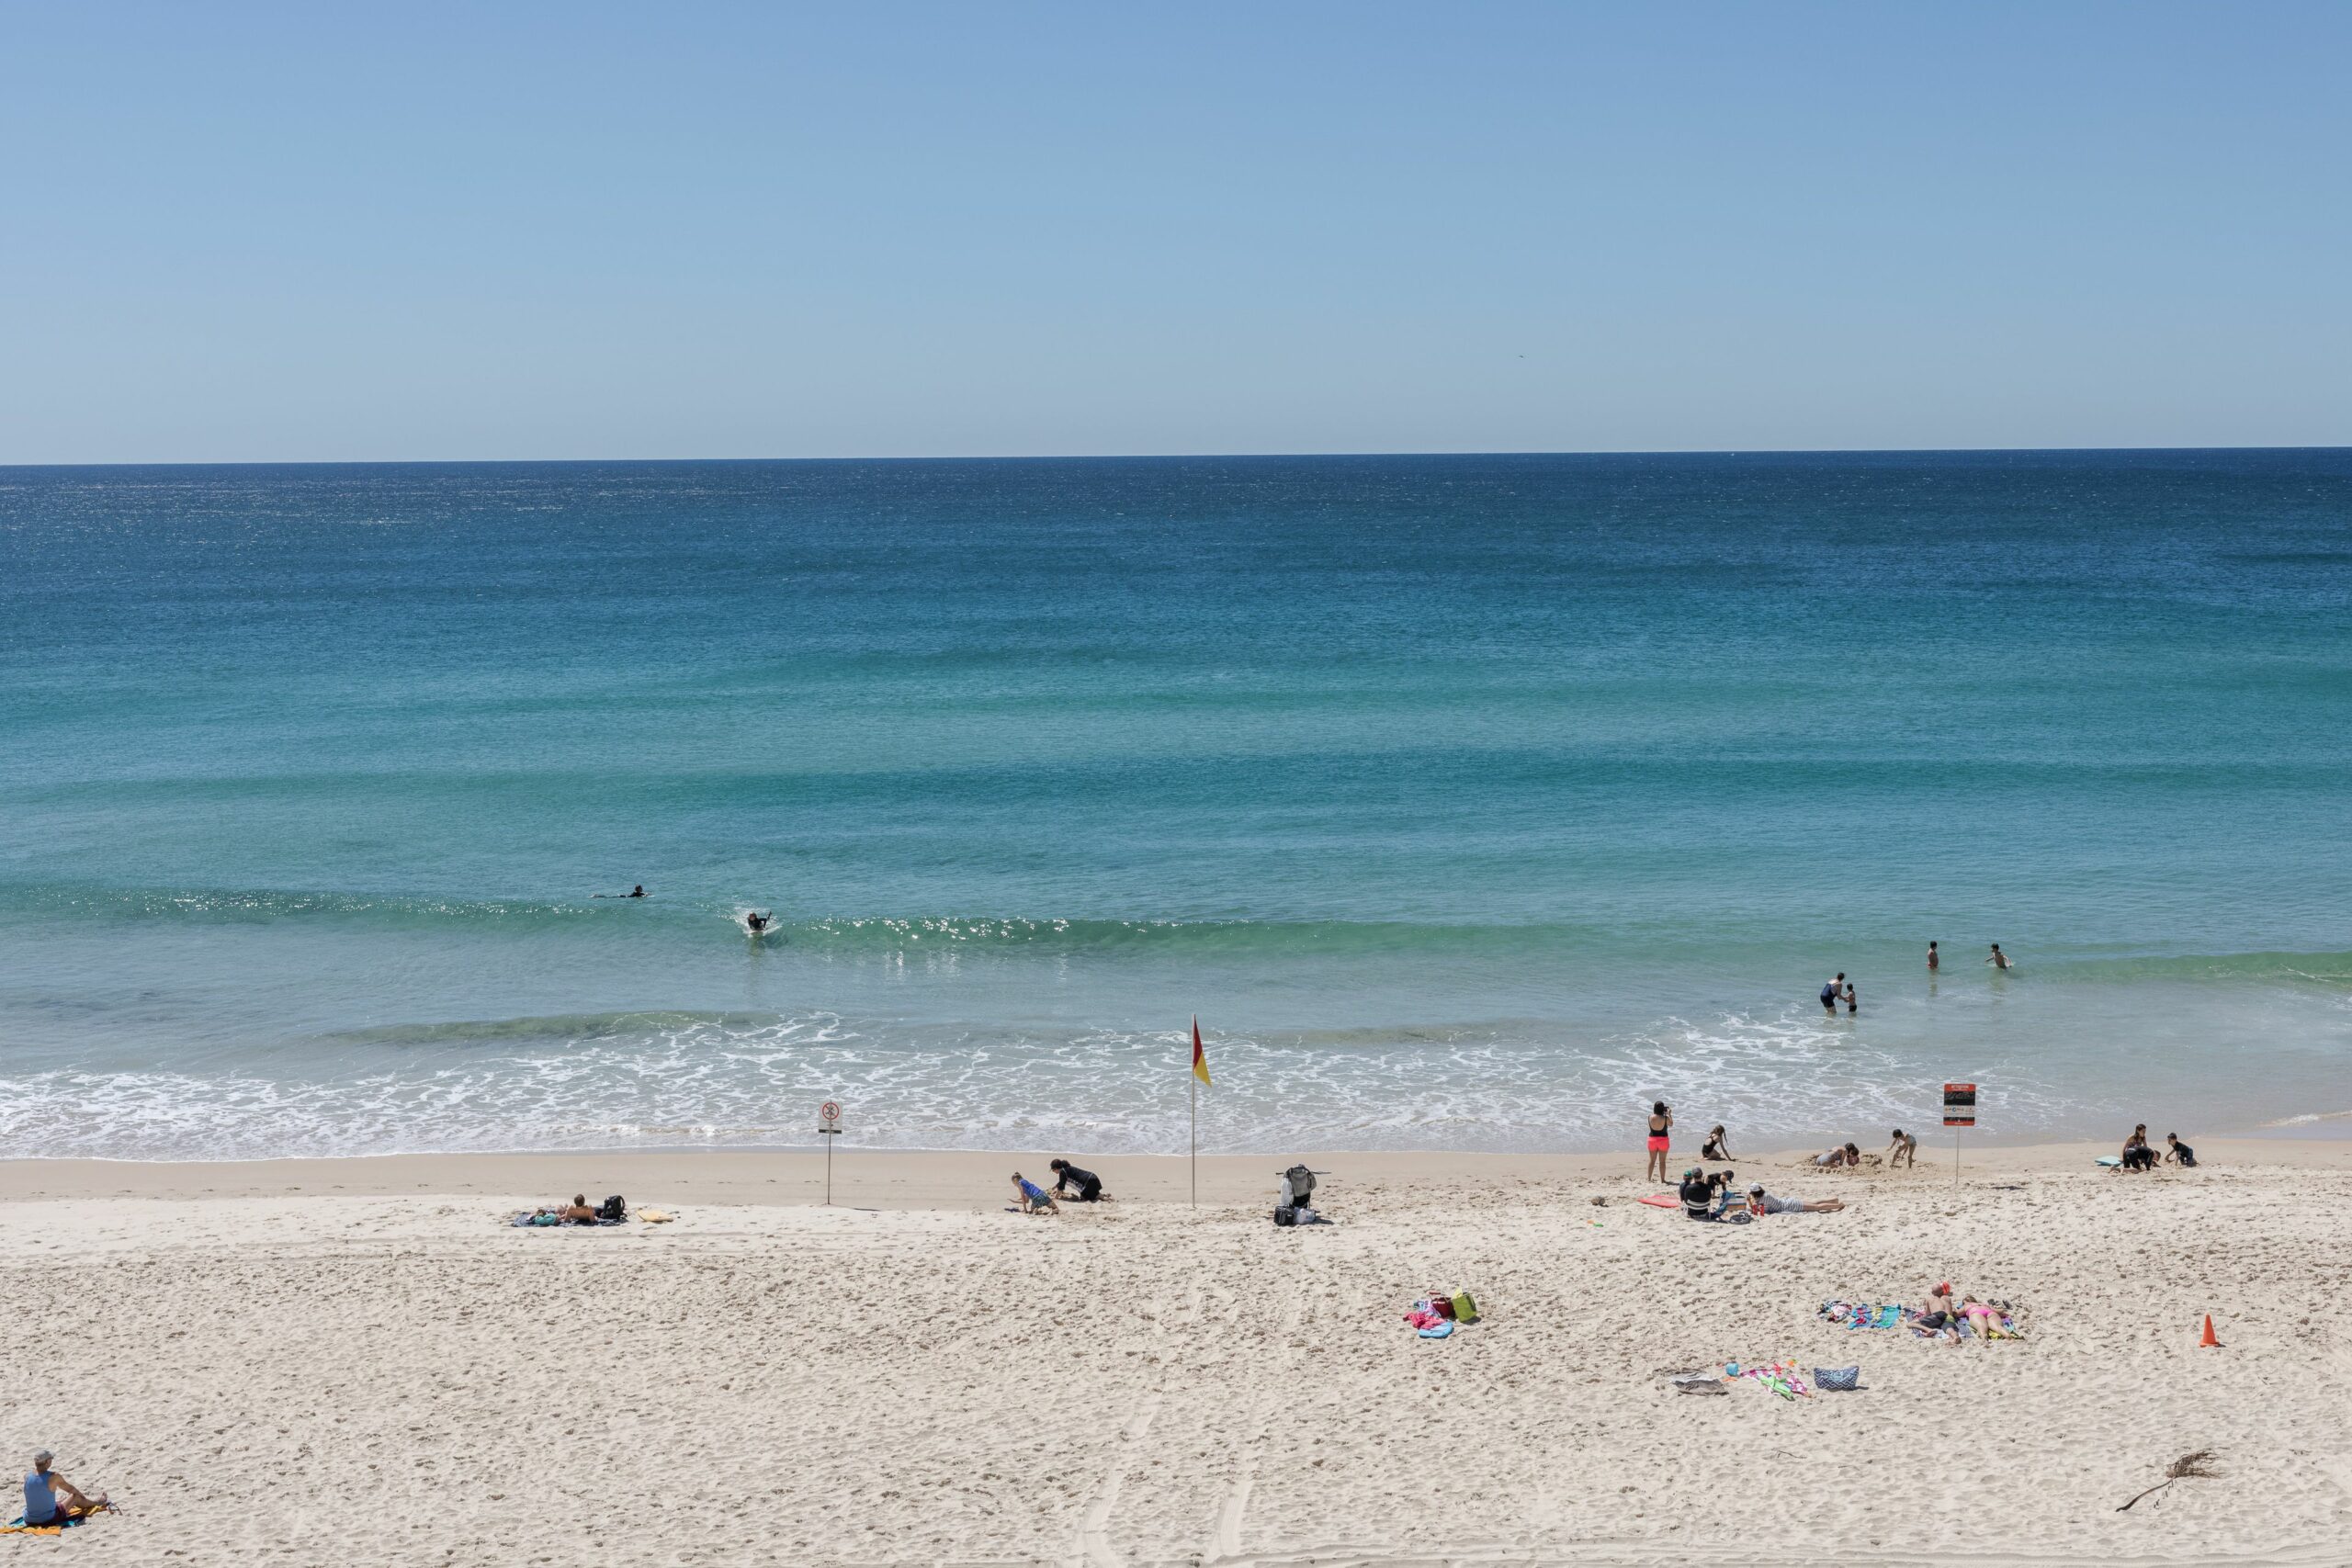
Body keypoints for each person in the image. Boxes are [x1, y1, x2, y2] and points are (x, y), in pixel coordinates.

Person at [22, 1451, 106, 1528]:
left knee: (58, 1501)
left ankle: (66, 1500)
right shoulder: (54, 1477)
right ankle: (96, 1502)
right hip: (48, 1520)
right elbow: (71, 1490)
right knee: (75, 1496)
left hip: (29, 1520)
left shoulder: (27, 1476)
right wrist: (82, 1497)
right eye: (51, 1459)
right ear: (47, 1462)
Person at [1746, 1183, 1843, 1214]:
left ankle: (1838, 1205)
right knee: (1814, 1202)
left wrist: (1749, 1201)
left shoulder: (1763, 1198)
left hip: (1791, 1206)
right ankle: (1833, 1200)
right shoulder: (1764, 1195)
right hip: (1788, 1201)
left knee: (1816, 1207)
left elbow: (1761, 1212)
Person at [1645, 1102, 1673, 1185]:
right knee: (1662, 1161)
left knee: (1652, 1160)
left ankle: (1649, 1179)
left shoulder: (1650, 1117)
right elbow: (1671, 1124)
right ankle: (1662, 1180)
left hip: (1652, 1140)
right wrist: (1669, 1114)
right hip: (1663, 1140)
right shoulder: (1665, 1118)